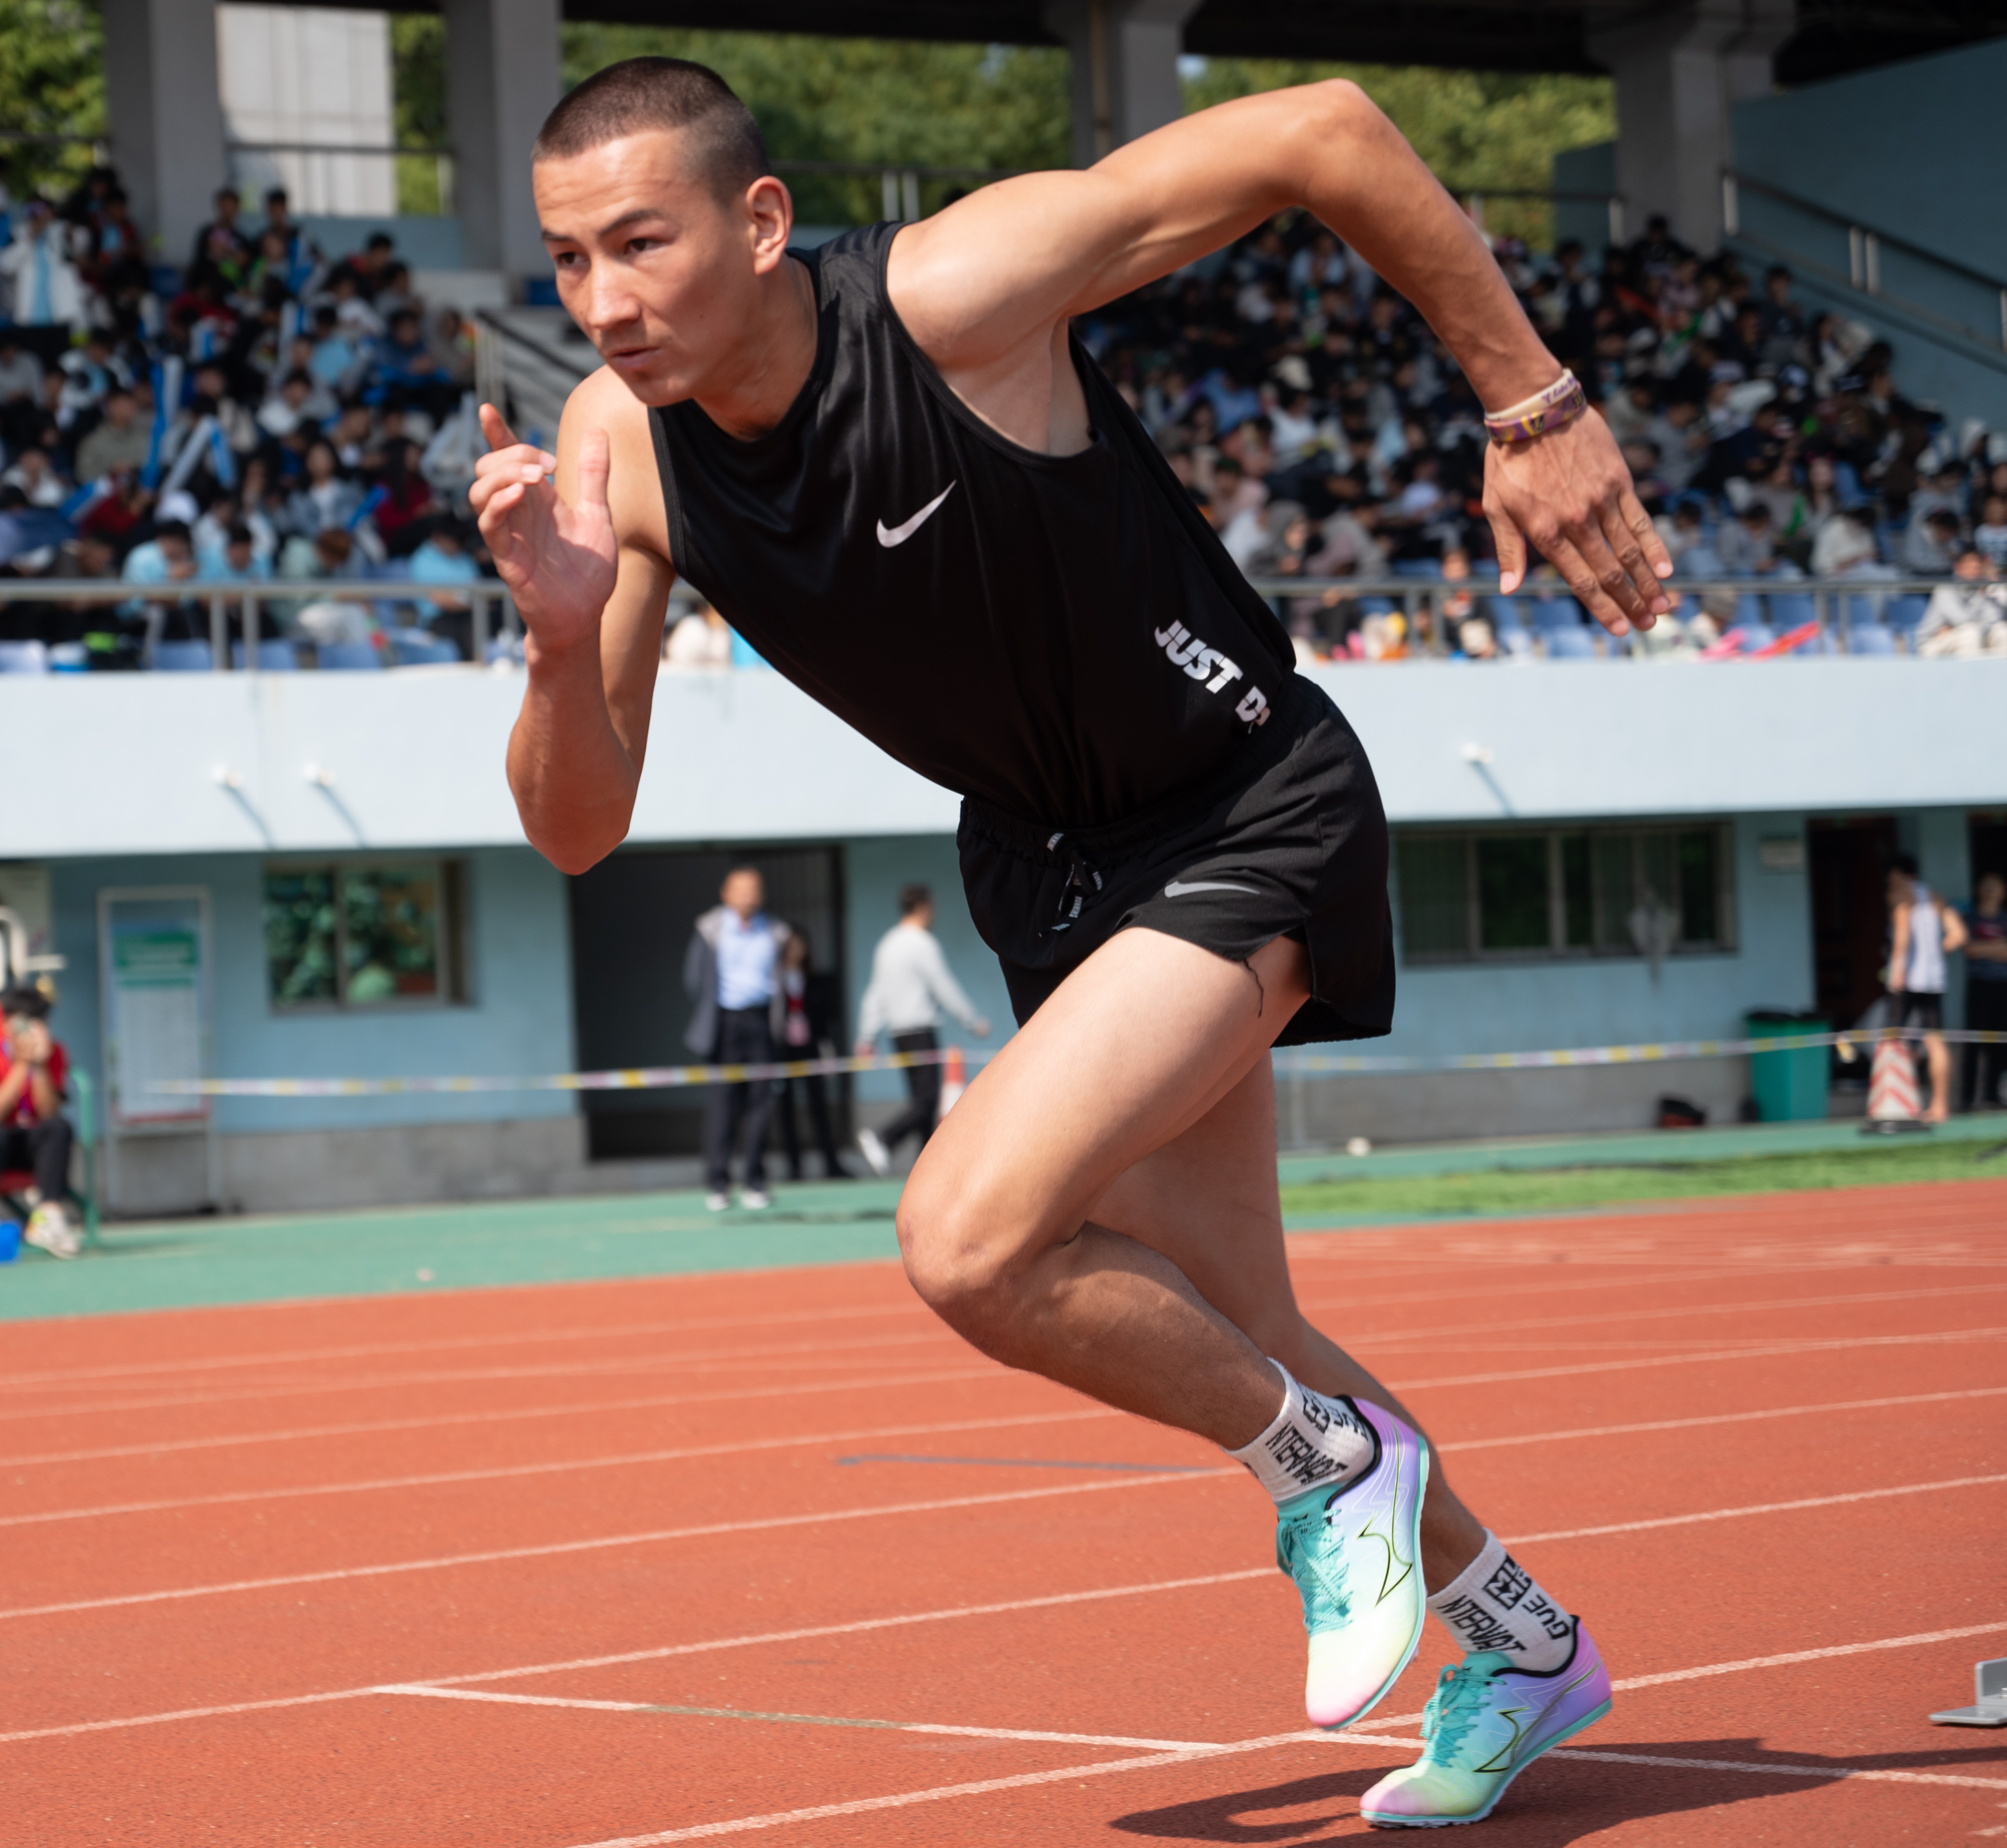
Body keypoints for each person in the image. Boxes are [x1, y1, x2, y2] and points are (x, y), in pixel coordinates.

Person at [474, 60, 1665, 1826]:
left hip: (1240, 798)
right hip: (1047, 866)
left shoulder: (953, 294)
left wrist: (1528, 399)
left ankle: (1320, 1464)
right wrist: (563, 646)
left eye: (639, 244)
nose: (603, 301)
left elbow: (1319, 128)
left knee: (967, 1239)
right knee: (1234, 1319)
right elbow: (576, 827)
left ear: (758, 221)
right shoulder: (611, 452)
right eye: (567, 260)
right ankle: (1520, 1638)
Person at [851, 882, 991, 1177]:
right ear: (924, 907)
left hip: (898, 1035)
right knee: (927, 1101)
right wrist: (971, 1020)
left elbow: (876, 994)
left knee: (922, 1103)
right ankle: (884, 1138)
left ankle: (925, 1172)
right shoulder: (922, 943)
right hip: (921, 1031)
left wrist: (867, 1036)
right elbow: (943, 986)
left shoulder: (887, 944)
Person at [681, 866, 788, 1211]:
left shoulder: (774, 931)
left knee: (760, 1105)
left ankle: (755, 1182)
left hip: (760, 1023)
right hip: (723, 1025)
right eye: (741, 889)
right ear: (725, 893)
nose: (749, 895)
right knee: (721, 1106)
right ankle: (718, 1184)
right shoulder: (709, 928)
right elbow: (693, 978)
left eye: (755, 889)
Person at [0, 988, 82, 1258]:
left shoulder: (54, 1053)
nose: (31, 1031)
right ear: (6, 1023)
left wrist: (40, 1067)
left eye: (39, 1022)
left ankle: (49, 1216)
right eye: (24, 1022)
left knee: (59, 1128)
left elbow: (48, 1114)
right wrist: (21, 1065)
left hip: (22, 1139)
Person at [1883, 853, 1966, 1124]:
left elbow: (1903, 934)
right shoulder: (1936, 897)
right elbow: (1959, 935)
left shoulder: (1901, 896)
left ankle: (1893, 1104)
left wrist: (1897, 969)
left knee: (1892, 1040)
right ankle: (1940, 1106)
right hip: (1933, 980)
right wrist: (1934, 955)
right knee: (1935, 1040)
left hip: (1908, 979)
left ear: (1898, 875)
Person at [769, 926, 847, 1182]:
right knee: (787, 1109)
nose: (796, 951)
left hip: (810, 1049)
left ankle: (832, 1164)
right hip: (784, 1051)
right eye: (791, 946)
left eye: (800, 946)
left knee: (819, 1108)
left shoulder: (813, 980)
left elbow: (824, 1019)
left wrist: (827, 1048)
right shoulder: (774, 980)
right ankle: (794, 1167)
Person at [1956, 871, 2007, 1113]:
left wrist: (1986, 948)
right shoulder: (1971, 918)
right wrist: (1998, 947)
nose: (1990, 892)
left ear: (2004, 892)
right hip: (1980, 984)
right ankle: (1967, 1099)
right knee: (1974, 1042)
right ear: (1979, 890)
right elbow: (1969, 950)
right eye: (1986, 887)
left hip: (2004, 986)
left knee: (2001, 1041)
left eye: (1995, 888)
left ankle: (1993, 1096)